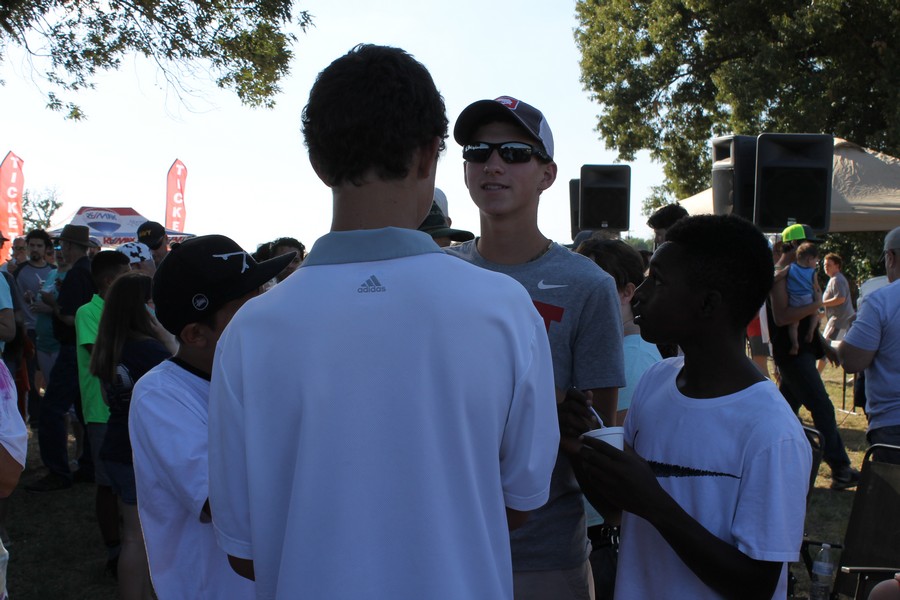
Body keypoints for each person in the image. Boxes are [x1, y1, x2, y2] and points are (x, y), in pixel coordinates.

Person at [207, 45, 559, 599]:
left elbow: (243, 549)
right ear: (428, 158)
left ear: (319, 164)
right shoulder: (505, 309)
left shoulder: (250, 331)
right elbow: (521, 502)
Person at [575, 214, 811, 599]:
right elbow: (617, 509)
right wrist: (580, 446)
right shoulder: (655, 382)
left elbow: (757, 584)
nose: (640, 294)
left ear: (707, 303)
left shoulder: (770, 431)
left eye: (659, 281)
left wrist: (655, 503)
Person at [448, 94, 624, 600]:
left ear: (547, 174)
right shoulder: (439, 274)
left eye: (515, 153)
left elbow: (597, 439)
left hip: (543, 552)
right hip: (444, 542)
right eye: (479, 151)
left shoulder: (587, 285)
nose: (493, 164)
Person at [130, 235, 285, 599]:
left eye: (264, 293)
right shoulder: (161, 396)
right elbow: (222, 502)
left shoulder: (261, 374)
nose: (269, 311)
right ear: (196, 334)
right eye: (249, 308)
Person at [574, 236, 661, 598]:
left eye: (599, 285)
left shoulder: (633, 358)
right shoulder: (621, 351)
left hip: (601, 533)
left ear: (628, 292)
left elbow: (608, 448)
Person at [90, 272, 175, 598]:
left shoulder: (108, 347)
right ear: (142, 307)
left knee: (132, 537)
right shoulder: (150, 351)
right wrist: (166, 339)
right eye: (152, 300)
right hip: (140, 451)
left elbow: (105, 395)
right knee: (144, 540)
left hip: (115, 445)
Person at [769, 222, 859, 490]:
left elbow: (806, 312)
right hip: (792, 357)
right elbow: (783, 316)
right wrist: (818, 304)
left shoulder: (802, 273)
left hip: (802, 354)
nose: (813, 257)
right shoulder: (781, 276)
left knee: (783, 412)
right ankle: (841, 469)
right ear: (794, 247)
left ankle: (777, 463)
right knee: (822, 406)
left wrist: (824, 346)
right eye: (808, 249)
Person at [27, 224, 98, 491]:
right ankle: (88, 466)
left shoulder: (77, 274)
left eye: (62, 245)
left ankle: (58, 471)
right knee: (83, 409)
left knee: (52, 409)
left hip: (71, 349)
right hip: (83, 348)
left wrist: (52, 302)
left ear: (69, 246)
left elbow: (69, 317)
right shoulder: (87, 271)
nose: (60, 250)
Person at [75, 250, 131, 573]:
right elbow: (101, 353)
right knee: (107, 483)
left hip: (124, 407)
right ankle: (113, 549)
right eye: (126, 273)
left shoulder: (123, 310)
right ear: (109, 281)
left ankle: (129, 540)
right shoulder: (88, 312)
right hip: (100, 410)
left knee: (125, 479)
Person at [838, 226, 900, 463]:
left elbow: (852, 361)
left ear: (891, 257)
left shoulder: (880, 301)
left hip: (893, 424)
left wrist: (854, 329)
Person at [12, 229, 55, 427]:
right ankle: (33, 415)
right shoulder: (19, 271)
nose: (35, 249)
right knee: (28, 375)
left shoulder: (53, 272)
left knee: (47, 376)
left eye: (39, 245)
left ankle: (46, 414)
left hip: (48, 330)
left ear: (46, 248)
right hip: (26, 330)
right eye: (32, 245)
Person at [785, 242, 820, 355]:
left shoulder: (790, 268)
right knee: (815, 315)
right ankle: (810, 331)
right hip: (807, 299)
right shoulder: (812, 272)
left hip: (794, 299)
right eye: (815, 261)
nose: (816, 263)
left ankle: (795, 344)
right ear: (809, 259)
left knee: (793, 325)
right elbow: (816, 287)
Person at [821, 252, 856, 344]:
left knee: (829, 348)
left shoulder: (837, 280)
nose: (826, 267)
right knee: (829, 348)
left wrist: (820, 303)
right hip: (838, 321)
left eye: (829, 265)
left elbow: (840, 299)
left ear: (837, 266)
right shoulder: (834, 279)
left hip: (839, 322)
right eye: (824, 264)